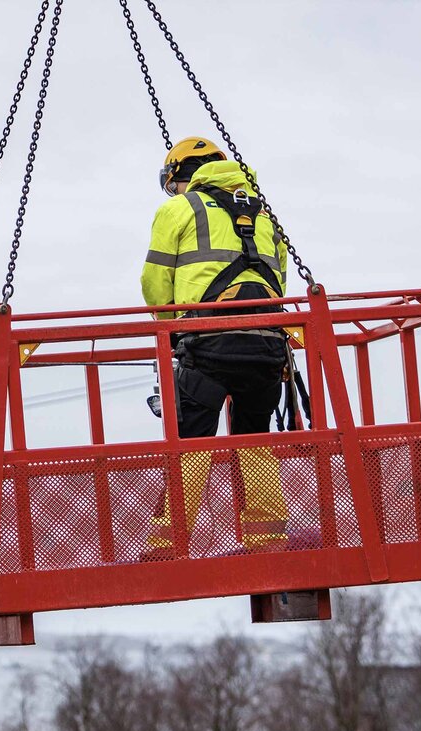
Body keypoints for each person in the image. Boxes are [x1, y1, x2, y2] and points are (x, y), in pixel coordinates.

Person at [140, 137, 290, 554]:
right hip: (267, 345)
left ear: (179, 178)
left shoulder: (178, 209)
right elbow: (280, 281)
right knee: (255, 440)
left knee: (192, 444)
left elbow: (154, 282)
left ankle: (167, 545)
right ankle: (268, 541)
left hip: (208, 346)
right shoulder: (265, 213)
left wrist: (170, 331)